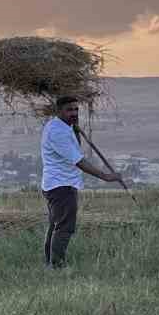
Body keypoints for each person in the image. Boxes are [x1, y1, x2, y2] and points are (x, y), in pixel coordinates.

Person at [40, 95, 123, 269]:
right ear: (58, 111)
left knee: (56, 225)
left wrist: (76, 131)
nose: (74, 113)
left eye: (76, 109)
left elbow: (75, 148)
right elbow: (79, 161)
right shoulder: (58, 132)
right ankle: (56, 266)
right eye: (69, 109)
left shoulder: (61, 126)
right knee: (64, 227)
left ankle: (49, 263)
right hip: (61, 185)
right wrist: (106, 176)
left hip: (57, 183)